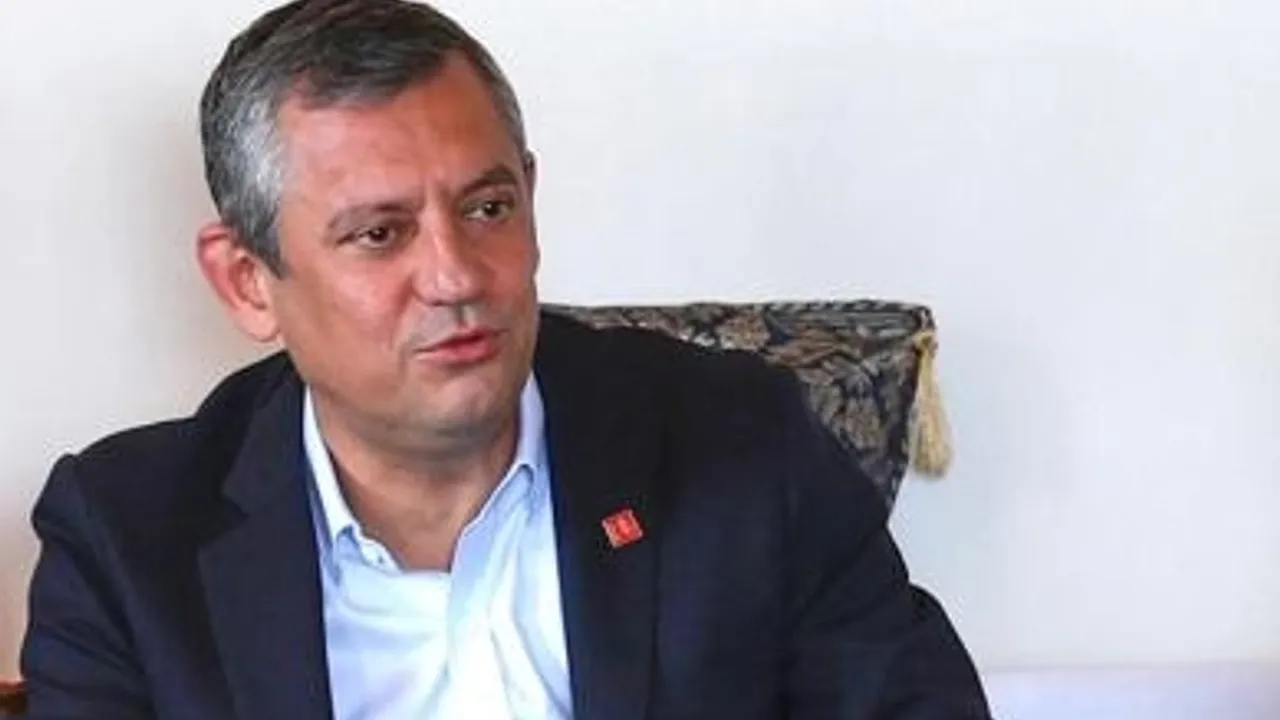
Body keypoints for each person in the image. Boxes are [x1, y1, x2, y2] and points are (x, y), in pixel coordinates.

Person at [19, 0, 991, 717]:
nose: (455, 276)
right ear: (247, 282)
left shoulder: (739, 447)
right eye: (378, 234)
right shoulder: (129, 540)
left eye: (487, 208)